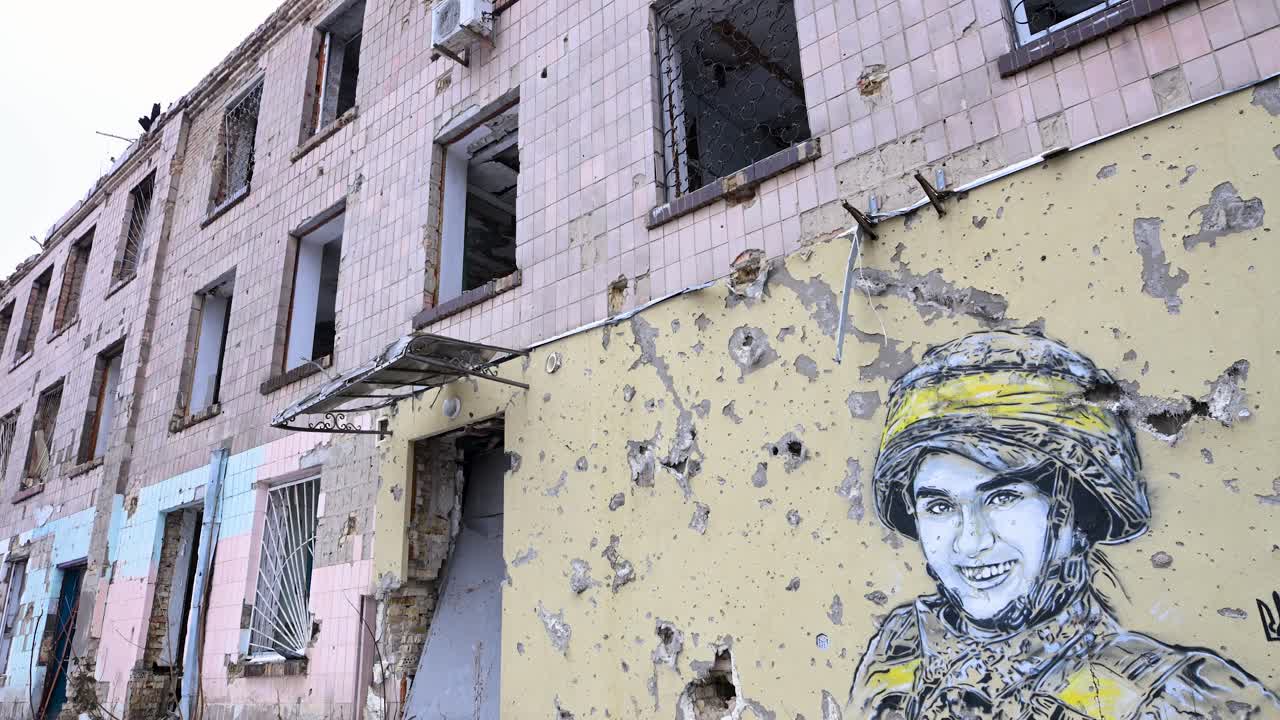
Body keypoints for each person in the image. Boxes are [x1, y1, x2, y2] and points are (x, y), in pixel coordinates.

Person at [848, 328, 1280, 719]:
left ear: (1078, 512)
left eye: (1002, 497)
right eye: (939, 507)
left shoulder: (1170, 700)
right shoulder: (903, 649)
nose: (970, 542)